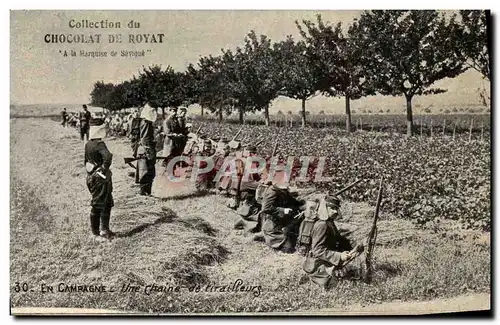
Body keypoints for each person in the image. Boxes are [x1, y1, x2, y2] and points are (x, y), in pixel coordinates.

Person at [301, 196, 363, 289]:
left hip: (324, 261)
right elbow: (317, 250)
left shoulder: (329, 222)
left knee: (352, 276)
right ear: (325, 208)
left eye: (336, 209)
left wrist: (353, 246)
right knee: (340, 285)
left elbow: (338, 239)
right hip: (318, 265)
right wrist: (339, 256)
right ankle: (315, 278)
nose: (335, 211)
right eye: (332, 208)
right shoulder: (322, 225)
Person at [84, 118, 115, 241]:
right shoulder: (100, 144)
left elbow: (85, 161)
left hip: (92, 177)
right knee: (99, 204)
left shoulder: (88, 144)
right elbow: (108, 157)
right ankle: (96, 233)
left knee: (105, 203)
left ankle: (104, 230)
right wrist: (103, 169)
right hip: (101, 179)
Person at [257, 183, 306, 253]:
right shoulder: (272, 191)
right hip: (273, 225)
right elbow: (266, 208)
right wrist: (283, 210)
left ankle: (264, 234)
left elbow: (291, 201)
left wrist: (301, 203)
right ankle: (264, 235)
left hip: (281, 222)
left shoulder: (282, 190)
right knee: (288, 249)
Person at [137, 105, 158, 196]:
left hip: (146, 148)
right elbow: (145, 139)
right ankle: (144, 192)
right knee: (146, 171)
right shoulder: (146, 123)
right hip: (146, 149)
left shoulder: (145, 122)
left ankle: (146, 192)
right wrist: (149, 152)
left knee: (147, 171)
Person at [162, 107, 185, 173]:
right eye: (173, 111)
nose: (174, 113)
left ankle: (172, 170)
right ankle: (168, 171)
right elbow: (167, 132)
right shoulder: (167, 121)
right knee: (169, 155)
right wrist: (174, 134)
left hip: (176, 140)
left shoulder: (175, 120)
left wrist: (179, 134)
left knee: (175, 155)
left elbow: (178, 129)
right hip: (170, 141)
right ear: (169, 112)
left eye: (175, 111)